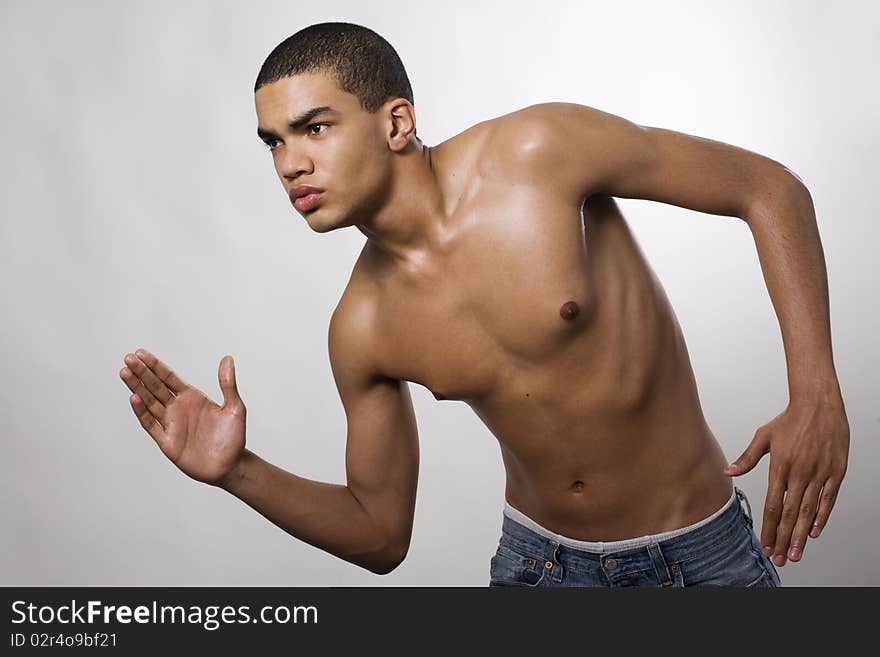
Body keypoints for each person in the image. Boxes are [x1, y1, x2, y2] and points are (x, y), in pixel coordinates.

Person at [118, 22, 849, 586]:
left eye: (315, 127)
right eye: (273, 142)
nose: (290, 163)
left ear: (396, 123)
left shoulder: (539, 152)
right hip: (541, 570)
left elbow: (767, 187)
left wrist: (816, 394)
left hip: (699, 553)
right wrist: (237, 469)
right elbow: (380, 534)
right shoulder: (362, 327)